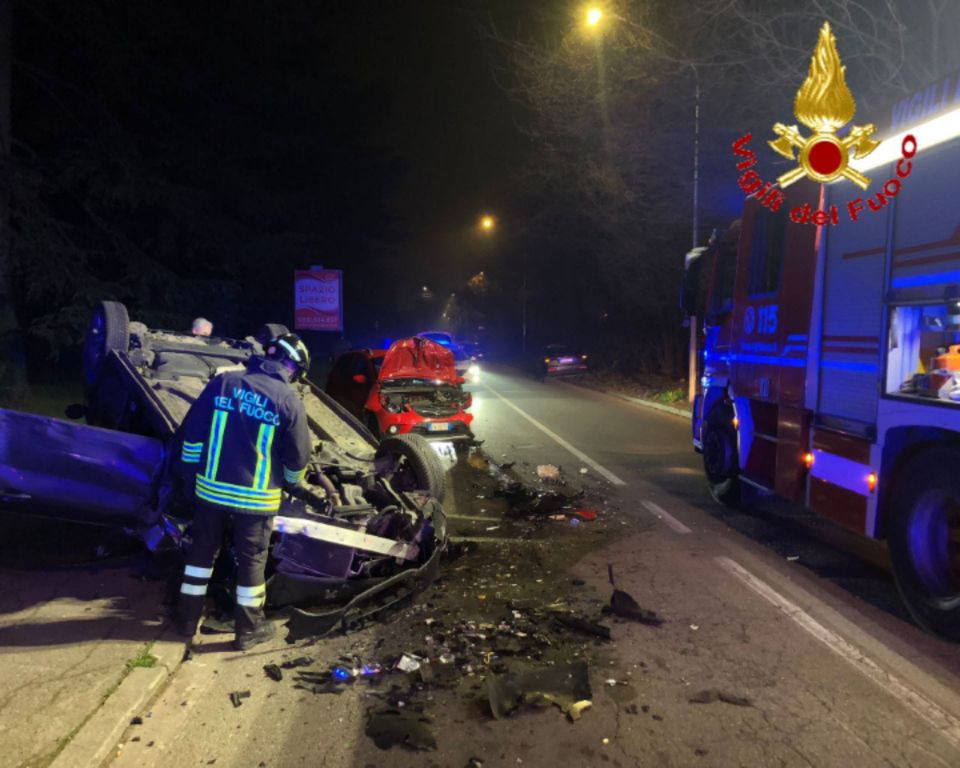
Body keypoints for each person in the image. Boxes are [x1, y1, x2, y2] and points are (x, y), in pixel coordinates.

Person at [176, 333, 312, 650]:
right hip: (256, 500)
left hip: (210, 492)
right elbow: (297, 459)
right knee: (252, 562)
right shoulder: (288, 400)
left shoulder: (224, 383)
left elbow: (192, 434)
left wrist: (190, 476)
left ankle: (185, 621)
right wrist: (293, 483)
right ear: (291, 366)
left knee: (200, 555)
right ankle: (248, 631)